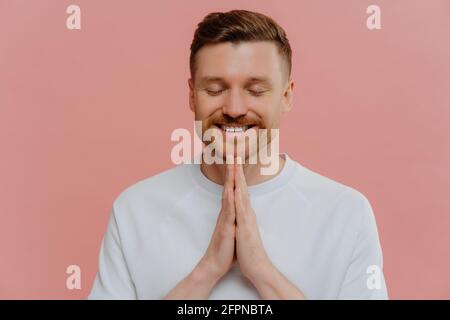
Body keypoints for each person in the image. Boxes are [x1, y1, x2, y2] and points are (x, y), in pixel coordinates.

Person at [89, 10, 388, 300]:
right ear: (192, 95)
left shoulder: (347, 214)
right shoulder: (134, 210)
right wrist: (206, 271)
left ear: (286, 96)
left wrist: (261, 270)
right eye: (215, 89)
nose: (233, 109)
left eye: (255, 90)